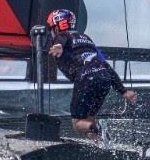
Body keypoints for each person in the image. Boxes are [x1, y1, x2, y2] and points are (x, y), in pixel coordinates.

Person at [46, 9, 137, 140]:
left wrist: (58, 46)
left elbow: (62, 38)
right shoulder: (87, 39)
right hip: (104, 78)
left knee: (77, 124)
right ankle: (101, 144)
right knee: (89, 118)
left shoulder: (62, 37)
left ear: (56, 27)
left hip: (85, 78)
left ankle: (99, 129)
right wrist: (123, 91)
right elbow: (104, 64)